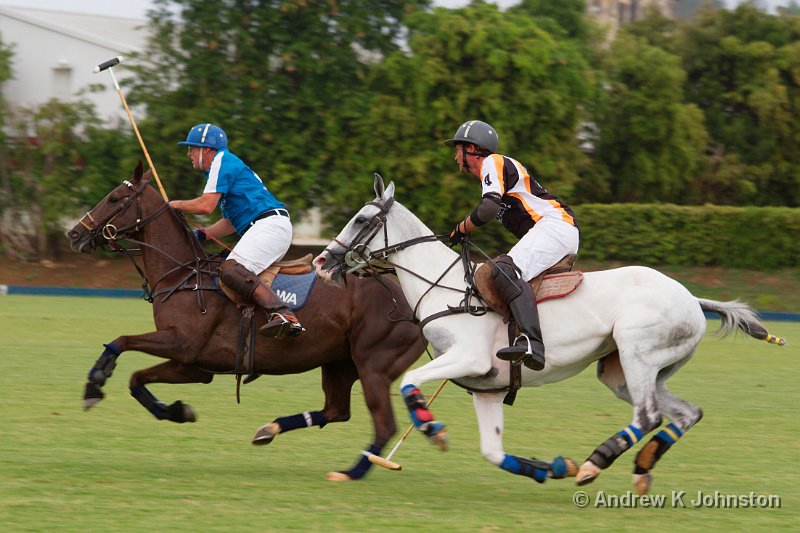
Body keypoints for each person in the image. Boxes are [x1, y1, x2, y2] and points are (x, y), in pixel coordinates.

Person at [445, 120, 579, 371]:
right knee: (508, 274)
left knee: (504, 270)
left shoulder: (492, 162)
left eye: (458, 149)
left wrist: (462, 228)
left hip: (555, 226)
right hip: (555, 230)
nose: (455, 157)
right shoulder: (492, 172)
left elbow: (488, 209)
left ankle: (532, 344)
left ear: (472, 149)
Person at [169, 123, 303, 338]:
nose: (188, 154)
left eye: (191, 148)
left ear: (207, 149)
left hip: (269, 226)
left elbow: (205, 205)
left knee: (231, 270)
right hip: (267, 226)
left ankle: (283, 314)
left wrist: (172, 205)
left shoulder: (221, 162)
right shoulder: (222, 167)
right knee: (231, 271)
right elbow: (230, 222)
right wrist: (200, 236)